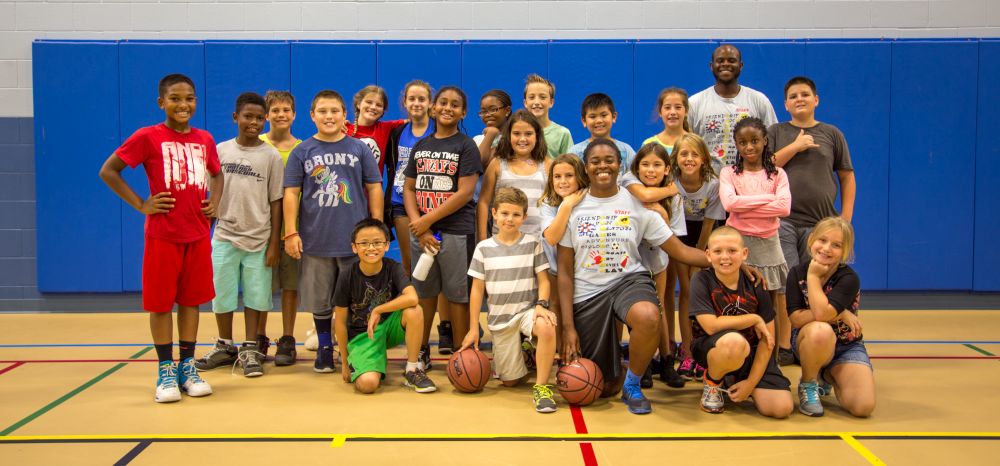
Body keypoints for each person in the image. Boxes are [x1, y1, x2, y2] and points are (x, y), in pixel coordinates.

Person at [557, 138, 717, 415]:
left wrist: (726, 261)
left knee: (648, 315)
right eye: (595, 161)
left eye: (609, 160)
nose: (603, 166)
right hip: (588, 291)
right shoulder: (573, 207)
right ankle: (615, 373)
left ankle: (633, 384)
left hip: (628, 280)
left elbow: (679, 250)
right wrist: (568, 327)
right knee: (601, 386)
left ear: (620, 165)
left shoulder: (637, 202)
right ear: (586, 166)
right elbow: (565, 273)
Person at [98, 73, 221, 403]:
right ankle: (165, 368)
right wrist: (141, 204)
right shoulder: (147, 137)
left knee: (192, 301)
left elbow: (217, 174)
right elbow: (109, 170)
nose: (183, 104)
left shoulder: (205, 139)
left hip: (196, 234)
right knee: (161, 303)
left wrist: (215, 204)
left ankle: (187, 366)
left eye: (190, 98)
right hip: (163, 235)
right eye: (176, 99)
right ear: (162, 102)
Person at [283, 90, 384, 374]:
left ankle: (349, 346)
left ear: (344, 116)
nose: (329, 116)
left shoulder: (359, 149)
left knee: (354, 299)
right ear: (312, 116)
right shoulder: (302, 152)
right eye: (323, 111)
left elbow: (374, 187)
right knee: (320, 300)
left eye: (334, 111)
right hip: (316, 239)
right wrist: (291, 232)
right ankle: (325, 347)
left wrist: (376, 227)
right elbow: (291, 194)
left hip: (354, 242)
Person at [769, 76, 857, 365]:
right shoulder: (777, 131)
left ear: (816, 99)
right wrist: (796, 146)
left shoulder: (832, 134)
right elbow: (766, 167)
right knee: (786, 284)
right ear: (785, 104)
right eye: (793, 96)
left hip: (820, 224)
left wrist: (844, 217)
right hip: (783, 221)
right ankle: (784, 345)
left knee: (815, 282)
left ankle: (807, 340)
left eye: (805, 94)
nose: (799, 99)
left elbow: (846, 175)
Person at [195, 92, 283, 378]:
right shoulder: (220, 150)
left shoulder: (270, 155)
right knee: (222, 295)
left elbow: (276, 201)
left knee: (256, 298)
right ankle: (224, 345)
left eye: (260, 118)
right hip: (224, 235)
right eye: (248, 116)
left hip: (259, 237)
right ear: (235, 117)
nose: (254, 122)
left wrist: (274, 244)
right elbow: (209, 195)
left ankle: (250, 349)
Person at [402, 86, 483, 369]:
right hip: (422, 234)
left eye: (455, 105)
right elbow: (409, 187)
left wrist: (428, 219)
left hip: (456, 231)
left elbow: (465, 192)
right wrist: (418, 224)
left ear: (463, 112)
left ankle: (463, 353)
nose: (448, 108)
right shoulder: (421, 146)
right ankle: (421, 349)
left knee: (457, 296)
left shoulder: (466, 145)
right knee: (424, 295)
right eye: (443, 103)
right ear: (433, 108)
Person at [462, 187, 558, 413]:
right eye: (504, 213)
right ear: (494, 213)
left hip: (527, 312)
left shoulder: (533, 243)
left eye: (516, 215)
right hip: (500, 319)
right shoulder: (483, 248)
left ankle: (542, 388)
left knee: (546, 325)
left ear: (524, 217)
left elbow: (544, 281)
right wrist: (473, 328)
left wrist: (541, 305)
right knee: (510, 382)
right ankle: (527, 352)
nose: (509, 219)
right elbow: (477, 291)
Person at [689, 227, 793, 418]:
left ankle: (737, 380)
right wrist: (753, 319)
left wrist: (751, 384)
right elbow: (710, 325)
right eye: (718, 251)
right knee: (734, 342)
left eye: (732, 251)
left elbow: (767, 340)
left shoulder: (755, 283)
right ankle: (713, 381)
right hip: (715, 348)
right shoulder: (701, 279)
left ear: (744, 253)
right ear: (708, 255)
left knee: (781, 408)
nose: (725, 257)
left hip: (751, 355)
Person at [720, 117, 792, 368]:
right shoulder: (729, 173)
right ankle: (739, 359)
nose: (749, 147)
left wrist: (745, 204)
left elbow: (783, 207)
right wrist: (766, 201)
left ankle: (770, 360)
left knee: (770, 303)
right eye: (742, 142)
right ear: (736, 146)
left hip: (769, 244)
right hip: (739, 243)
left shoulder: (778, 174)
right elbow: (729, 205)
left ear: (765, 141)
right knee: (738, 300)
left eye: (754, 141)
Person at [333, 218, 436, 394]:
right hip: (363, 336)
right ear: (354, 247)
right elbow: (340, 323)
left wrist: (378, 310)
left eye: (377, 243)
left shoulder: (393, 268)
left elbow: (412, 298)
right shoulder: (347, 275)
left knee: (414, 311)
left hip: (388, 328)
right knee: (367, 385)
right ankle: (369, 361)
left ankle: (412, 370)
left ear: (387, 245)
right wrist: (344, 362)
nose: (371, 248)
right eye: (364, 243)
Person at [788, 216, 874, 418]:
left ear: (845, 252)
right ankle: (809, 384)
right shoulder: (797, 273)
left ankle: (826, 373)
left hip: (846, 346)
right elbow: (797, 319)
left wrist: (829, 311)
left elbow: (821, 313)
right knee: (820, 330)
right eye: (822, 240)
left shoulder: (849, 278)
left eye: (836, 245)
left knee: (863, 407)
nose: (827, 248)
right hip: (810, 341)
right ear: (811, 241)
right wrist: (839, 312)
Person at [620, 143, 686, 389]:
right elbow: (646, 196)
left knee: (658, 309)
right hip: (632, 261)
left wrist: (663, 213)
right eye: (645, 164)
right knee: (639, 312)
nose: (650, 170)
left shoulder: (675, 198)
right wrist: (669, 188)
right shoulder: (629, 185)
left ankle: (666, 360)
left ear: (667, 168)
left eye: (657, 165)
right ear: (636, 167)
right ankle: (643, 363)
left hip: (658, 260)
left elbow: (673, 235)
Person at [670, 133, 725, 381]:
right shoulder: (671, 182)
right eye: (684, 154)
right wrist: (685, 261)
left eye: (694, 154)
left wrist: (699, 257)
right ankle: (687, 349)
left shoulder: (713, 184)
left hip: (705, 237)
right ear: (676, 158)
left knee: (703, 296)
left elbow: (709, 224)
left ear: (704, 159)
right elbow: (675, 226)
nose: (689, 159)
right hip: (679, 236)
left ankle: (704, 351)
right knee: (686, 294)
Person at [260, 90, 303, 366]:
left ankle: (287, 338)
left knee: (290, 285)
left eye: (286, 110)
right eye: (275, 110)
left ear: (294, 114)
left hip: (293, 230)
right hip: (261, 230)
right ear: (266, 115)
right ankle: (259, 336)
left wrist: (293, 231)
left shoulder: (302, 148)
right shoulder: (258, 144)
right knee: (260, 287)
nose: (281, 115)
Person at [689, 44, 778, 176]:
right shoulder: (695, 103)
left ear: (741, 66)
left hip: (750, 183)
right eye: (720, 61)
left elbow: (772, 142)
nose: (725, 64)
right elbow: (687, 146)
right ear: (711, 66)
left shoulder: (759, 100)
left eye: (731, 60)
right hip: (708, 185)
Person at [538, 154, 590, 351]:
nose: (563, 181)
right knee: (556, 306)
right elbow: (552, 237)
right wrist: (566, 205)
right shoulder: (548, 203)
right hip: (554, 268)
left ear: (580, 176)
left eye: (569, 175)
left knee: (581, 310)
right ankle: (560, 353)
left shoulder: (588, 199)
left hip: (584, 270)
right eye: (557, 176)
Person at [385, 80, 436, 274]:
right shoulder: (397, 133)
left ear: (430, 103)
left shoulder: (439, 129)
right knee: (409, 263)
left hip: (431, 203)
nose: (417, 103)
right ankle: (411, 303)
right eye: (412, 99)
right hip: (401, 202)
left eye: (422, 99)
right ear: (405, 103)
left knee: (431, 262)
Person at [477, 109, 550, 241]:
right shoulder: (497, 164)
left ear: (537, 136)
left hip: (538, 245)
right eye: (516, 133)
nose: (522, 139)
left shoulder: (547, 165)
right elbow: (483, 202)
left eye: (528, 134)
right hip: (501, 243)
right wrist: (482, 239)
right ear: (508, 135)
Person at [345, 84, 408, 175]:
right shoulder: (343, 129)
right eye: (369, 102)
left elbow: (413, 120)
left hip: (374, 189)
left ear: (383, 111)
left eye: (379, 105)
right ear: (358, 104)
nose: (373, 107)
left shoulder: (385, 128)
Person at [568, 93, 636, 174]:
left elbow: (634, 179)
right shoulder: (575, 152)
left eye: (604, 115)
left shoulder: (626, 150)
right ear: (584, 121)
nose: (599, 120)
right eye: (593, 117)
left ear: (614, 117)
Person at [523, 74, 573, 158]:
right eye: (531, 97)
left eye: (542, 97)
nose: (537, 102)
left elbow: (570, 165)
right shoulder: (516, 132)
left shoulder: (562, 134)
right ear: (525, 103)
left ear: (551, 102)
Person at [643, 87, 691, 152]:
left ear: (686, 111)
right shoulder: (648, 145)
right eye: (667, 108)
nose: (673, 112)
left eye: (678, 107)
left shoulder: (696, 144)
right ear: (660, 112)